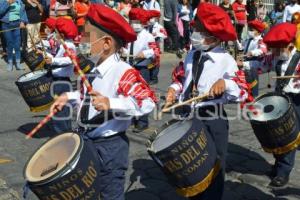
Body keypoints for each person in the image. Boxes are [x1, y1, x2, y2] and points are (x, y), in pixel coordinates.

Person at [50, 4, 156, 199]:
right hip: (87, 141)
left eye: (86, 36)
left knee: (110, 194)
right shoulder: (92, 68)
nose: (80, 40)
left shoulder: (123, 71)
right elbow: (87, 98)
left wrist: (112, 103)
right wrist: (70, 97)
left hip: (110, 147)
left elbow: (147, 101)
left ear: (106, 43)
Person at [166, 3, 249, 200]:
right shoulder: (191, 54)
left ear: (214, 36)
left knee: (214, 164)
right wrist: (173, 89)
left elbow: (243, 91)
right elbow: (181, 79)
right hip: (189, 116)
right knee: (191, 163)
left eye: (200, 31)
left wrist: (225, 83)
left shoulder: (225, 59)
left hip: (212, 118)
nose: (195, 34)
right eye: (195, 29)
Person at [244, 22, 299, 187]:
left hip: (296, 102)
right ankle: (278, 165)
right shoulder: (275, 56)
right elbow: (260, 64)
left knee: (287, 137)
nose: (274, 53)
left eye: (278, 49)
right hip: (280, 100)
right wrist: (243, 64)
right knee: (276, 136)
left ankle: (284, 172)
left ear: (289, 46)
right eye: (273, 49)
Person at [122, 8, 158, 132]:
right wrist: (123, 52)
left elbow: (155, 51)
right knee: (129, 92)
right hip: (129, 66)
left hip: (142, 68)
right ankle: (132, 117)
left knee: (142, 94)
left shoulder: (148, 36)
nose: (135, 24)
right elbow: (126, 49)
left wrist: (145, 53)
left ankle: (143, 121)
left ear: (143, 23)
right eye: (133, 21)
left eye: (137, 21)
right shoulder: (128, 34)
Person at [43, 17, 77, 134]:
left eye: (56, 31)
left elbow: (70, 59)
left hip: (62, 81)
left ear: (61, 33)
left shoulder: (69, 45)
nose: (54, 33)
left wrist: (53, 61)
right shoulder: (61, 44)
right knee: (60, 108)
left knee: (61, 110)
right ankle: (63, 132)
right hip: (57, 79)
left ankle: (61, 133)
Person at [240, 20, 267, 97]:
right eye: (249, 29)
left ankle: (254, 96)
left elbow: (263, 50)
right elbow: (243, 48)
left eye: (252, 30)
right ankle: (246, 95)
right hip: (246, 62)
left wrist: (253, 52)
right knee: (245, 81)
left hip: (255, 63)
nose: (249, 31)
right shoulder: (249, 40)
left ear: (258, 32)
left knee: (253, 82)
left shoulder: (260, 40)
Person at [0, 0, 28, 71]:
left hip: (17, 24)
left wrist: (22, 21)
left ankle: (18, 63)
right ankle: (10, 63)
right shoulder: (2, 1)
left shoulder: (19, 1)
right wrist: (8, 3)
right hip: (6, 24)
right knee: (9, 44)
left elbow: (23, 12)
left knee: (17, 44)